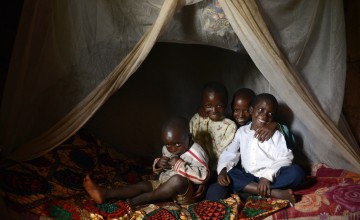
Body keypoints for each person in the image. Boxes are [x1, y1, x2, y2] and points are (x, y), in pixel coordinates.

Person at [83, 116, 209, 206]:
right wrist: (160, 164)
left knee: (177, 180)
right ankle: (105, 193)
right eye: (168, 145)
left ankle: (148, 197)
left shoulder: (197, 152)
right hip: (163, 184)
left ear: (189, 137)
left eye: (177, 144)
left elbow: (203, 176)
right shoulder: (168, 148)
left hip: (185, 193)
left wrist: (179, 165)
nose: (173, 149)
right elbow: (164, 166)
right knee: (144, 185)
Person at [207, 93, 305, 204]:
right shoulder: (241, 132)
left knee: (297, 173)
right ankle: (275, 193)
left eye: (270, 114)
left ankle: (250, 190)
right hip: (248, 177)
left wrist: (267, 177)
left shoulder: (276, 134)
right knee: (229, 174)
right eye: (261, 110)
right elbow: (230, 153)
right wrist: (223, 171)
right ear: (251, 110)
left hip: (271, 177)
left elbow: (285, 158)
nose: (265, 116)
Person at [190, 81, 237, 171]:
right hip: (194, 165)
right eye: (208, 105)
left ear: (226, 104)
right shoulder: (196, 119)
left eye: (219, 105)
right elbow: (190, 145)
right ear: (202, 104)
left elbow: (222, 155)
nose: (214, 110)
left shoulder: (229, 126)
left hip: (216, 170)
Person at [231, 88, 295, 149]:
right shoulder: (231, 125)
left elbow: (289, 143)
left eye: (246, 110)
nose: (241, 115)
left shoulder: (265, 126)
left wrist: (275, 125)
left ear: (251, 110)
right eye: (236, 110)